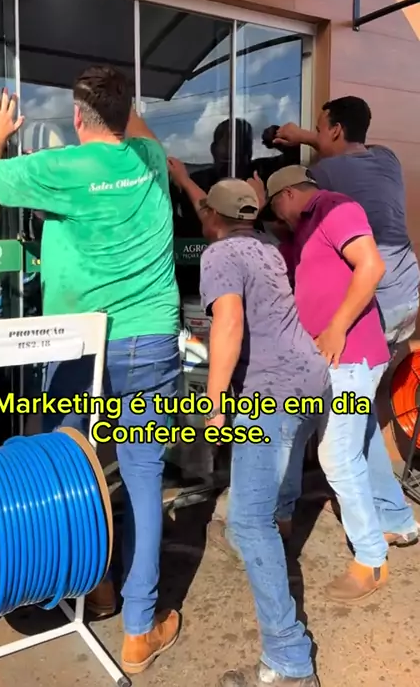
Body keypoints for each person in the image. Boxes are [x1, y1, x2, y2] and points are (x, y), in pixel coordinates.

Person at [0, 69, 181, 676]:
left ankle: (93, 586)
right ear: (126, 113)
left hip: (79, 345)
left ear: (77, 119)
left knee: (73, 472)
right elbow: (133, 126)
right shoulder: (149, 159)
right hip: (149, 341)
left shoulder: (61, 169)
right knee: (143, 478)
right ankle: (138, 631)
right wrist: (117, 103)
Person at [168, 157, 330, 687]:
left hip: (272, 391)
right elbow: (214, 207)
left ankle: (289, 660)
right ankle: (277, 531)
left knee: (245, 522)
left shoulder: (219, 253)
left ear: (212, 217)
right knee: (276, 490)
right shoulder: (264, 244)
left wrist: (215, 403)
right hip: (311, 378)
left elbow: (228, 324)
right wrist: (185, 179)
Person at [266, 165, 419, 603]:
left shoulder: (334, 207)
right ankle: (395, 522)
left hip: (350, 357)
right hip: (328, 362)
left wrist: (335, 328)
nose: (278, 217)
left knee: (336, 455)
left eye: (275, 206)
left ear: (289, 194)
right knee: (343, 439)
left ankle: (371, 560)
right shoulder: (303, 230)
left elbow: (371, 265)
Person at [269, 97, 420, 360]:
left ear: (336, 130)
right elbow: (355, 147)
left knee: (354, 372)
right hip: (408, 293)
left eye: (319, 130)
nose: (315, 136)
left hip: (377, 298)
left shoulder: (323, 174)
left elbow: (296, 224)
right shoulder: (388, 159)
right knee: (384, 370)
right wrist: (306, 136)